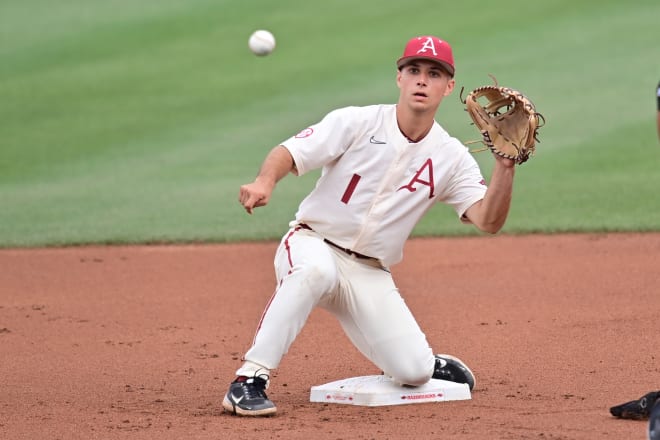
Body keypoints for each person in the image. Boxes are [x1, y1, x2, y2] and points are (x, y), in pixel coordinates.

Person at [223, 35, 518, 417]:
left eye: (433, 73)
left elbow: (488, 220)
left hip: (369, 270)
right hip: (314, 243)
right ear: (399, 78)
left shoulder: (451, 157)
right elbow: (290, 151)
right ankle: (249, 379)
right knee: (312, 271)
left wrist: (504, 167)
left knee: (412, 372)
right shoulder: (357, 121)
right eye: (413, 71)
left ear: (448, 87)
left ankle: (427, 362)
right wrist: (265, 182)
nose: (421, 80)